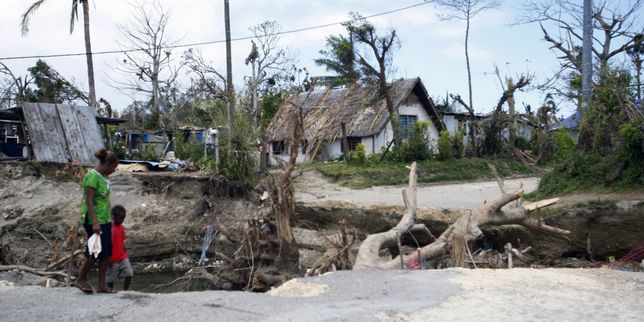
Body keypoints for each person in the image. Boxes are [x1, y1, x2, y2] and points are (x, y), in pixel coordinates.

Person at [74, 148, 119, 294]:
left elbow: (105, 199)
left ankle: (101, 285)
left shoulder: (104, 177)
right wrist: (95, 222)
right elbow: (90, 200)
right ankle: (81, 278)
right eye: (114, 168)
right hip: (93, 219)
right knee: (95, 250)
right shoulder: (92, 176)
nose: (114, 171)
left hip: (104, 219)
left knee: (105, 253)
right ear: (108, 164)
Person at [107, 205, 133, 291]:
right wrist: (108, 257)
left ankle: (125, 291)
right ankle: (110, 291)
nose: (122, 221)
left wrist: (125, 253)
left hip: (122, 256)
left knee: (129, 273)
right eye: (120, 218)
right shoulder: (110, 228)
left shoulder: (121, 228)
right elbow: (107, 244)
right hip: (112, 258)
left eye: (123, 219)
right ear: (113, 217)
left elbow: (122, 241)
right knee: (110, 279)